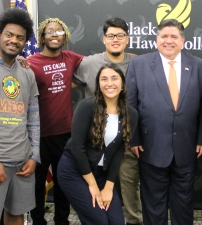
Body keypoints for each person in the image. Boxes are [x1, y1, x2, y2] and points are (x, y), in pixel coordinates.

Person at [126, 18, 202, 225]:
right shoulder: (139, 64)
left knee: (183, 202)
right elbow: (129, 105)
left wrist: (201, 139)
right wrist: (133, 139)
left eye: (174, 36)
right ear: (157, 40)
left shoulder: (200, 66)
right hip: (150, 146)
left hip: (187, 147)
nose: (169, 41)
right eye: (164, 36)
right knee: (153, 204)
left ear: (183, 41)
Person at [74, 17, 143, 225]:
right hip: (94, 145)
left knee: (130, 190)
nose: (115, 39)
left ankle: (134, 221)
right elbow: (63, 83)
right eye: (111, 35)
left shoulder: (137, 63)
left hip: (124, 140)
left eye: (120, 35)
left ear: (127, 39)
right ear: (104, 39)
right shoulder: (88, 63)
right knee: (95, 198)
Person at [0, 8, 40, 225]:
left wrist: (34, 156)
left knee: (16, 215)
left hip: (23, 162)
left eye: (20, 38)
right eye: (9, 35)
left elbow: (33, 117)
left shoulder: (27, 72)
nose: (14, 40)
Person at [57, 63, 138, 224]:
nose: (109, 83)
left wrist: (108, 187)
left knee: (116, 222)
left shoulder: (131, 114)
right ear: (99, 84)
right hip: (74, 171)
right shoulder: (86, 107)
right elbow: (77, 148)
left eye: (114, 78)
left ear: (122, 84)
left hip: (102, 174)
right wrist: (93, 186)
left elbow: (119, 152)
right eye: (104, 79)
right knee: (99, 221)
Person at [27, 18, 83, 225]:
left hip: (65, 134)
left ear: (65, 36)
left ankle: (62, 221)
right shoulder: (31, 62)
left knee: (63, 183)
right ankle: (38, 221)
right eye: (50, 31)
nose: (54, 35)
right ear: (42, 36)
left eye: (59, 32)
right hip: (38, 136)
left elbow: (95, 66)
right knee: (36, 185)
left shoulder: (70, 57)